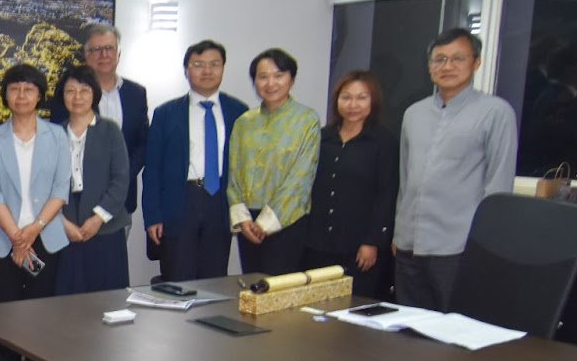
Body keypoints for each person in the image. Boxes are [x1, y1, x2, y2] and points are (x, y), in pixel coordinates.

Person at [395, 28, 518, 310]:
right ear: (429, 67)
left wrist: (485, 246)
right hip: (409, 244)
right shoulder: (413, 114)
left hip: (458, 246)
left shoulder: (496, 112)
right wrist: (399, 233)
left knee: (454, 332)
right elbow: (406, 178)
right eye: (439, 59)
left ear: (476, 63)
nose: (447, 66)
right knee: (408, 329)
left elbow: (498, 187)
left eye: (457, 58)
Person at [0, 64, 70, 361]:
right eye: (15, 89)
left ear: (39, 95)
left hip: (45, 237)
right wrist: (17, 236)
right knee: (6, 307)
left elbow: (61, 189)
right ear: (6, 95)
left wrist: (33, 231)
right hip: (3, 240)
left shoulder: (56, 136)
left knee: (39, 308)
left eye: (29, 89)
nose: (21, 95)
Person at [143, 40, 249, 281]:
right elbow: (152, 170)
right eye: (198, 64)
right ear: (186, 70)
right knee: (178, 277)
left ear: (223, 68)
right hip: (180, 202)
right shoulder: (166, 113)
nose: (207, 71)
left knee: (214, 278)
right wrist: (153, 216)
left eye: (214, 64)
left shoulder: (239, 112)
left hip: (220, 200)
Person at [302, 70, 398, 299]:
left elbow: (387, 194)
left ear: (373, 101)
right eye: (346, 97)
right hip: (318, 242)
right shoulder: (322, 137)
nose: (353, 104)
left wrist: (372, 241)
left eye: (361, 97)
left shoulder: (384, 142)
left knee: (354, 308)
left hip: (358, 247)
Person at [227, 48, 320, 276]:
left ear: (292, 79)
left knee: (279, 294)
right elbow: (234, 173)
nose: (270, 83)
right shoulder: (244, 122)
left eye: (278, 75)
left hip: (288, 222)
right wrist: (243, 220)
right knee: (252, 289)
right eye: (263, 76)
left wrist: (265, 224)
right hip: (248, 223)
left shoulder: (306, 120)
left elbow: (301, 177)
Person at [49, 24, 147, 213]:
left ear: (118, 53)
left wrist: (121, 176)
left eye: (109, 48)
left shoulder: (136, 94)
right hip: (74, 198)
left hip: (121, 199)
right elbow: (57, 142)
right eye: (96, 50)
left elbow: (142, 143)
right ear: (86, 55)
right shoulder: (68, 94)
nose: (103, 55)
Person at [54, 64, 131, 294]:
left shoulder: (110, 131)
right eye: (70, 91)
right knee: (67, 304)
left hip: (105, 227)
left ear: (94, 94)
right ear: (62, 95)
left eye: (84, 90)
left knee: (106, 301)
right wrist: (62, 223)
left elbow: (120, 180)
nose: (77, 97)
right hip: (65, 227)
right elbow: (43, 185)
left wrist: (97, 219)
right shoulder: (53, 134)